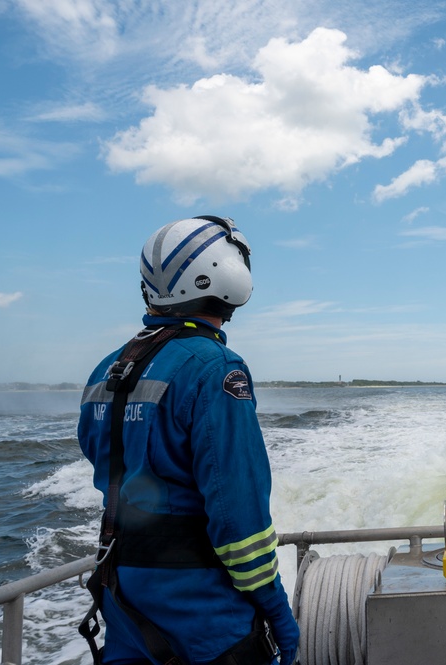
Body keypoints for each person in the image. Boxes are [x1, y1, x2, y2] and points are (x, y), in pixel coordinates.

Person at [77, 216, 299, 665]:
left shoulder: (107, 368)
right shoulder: (216, 368)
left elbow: (95, 452)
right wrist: (278, 612)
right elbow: (239, 515)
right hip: (196, 607)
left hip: (122, 596)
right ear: (225, 272)